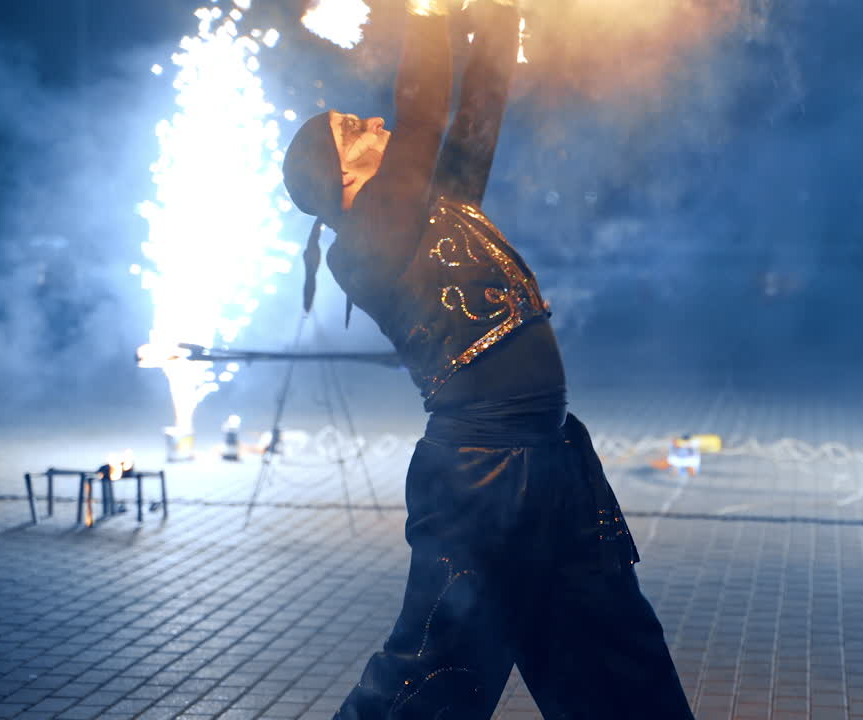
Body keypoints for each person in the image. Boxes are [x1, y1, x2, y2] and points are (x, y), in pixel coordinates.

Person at [280, 1, 695, 717]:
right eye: (355, 131)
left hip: (553, 465)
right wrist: (429, 10)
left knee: (611, 652)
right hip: (480, 482)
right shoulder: (368, 239)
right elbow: (422, 116)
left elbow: (472, 116)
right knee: (431, 676)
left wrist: (503, 15)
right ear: (344, 184)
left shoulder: (432, 206)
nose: (374, 123)